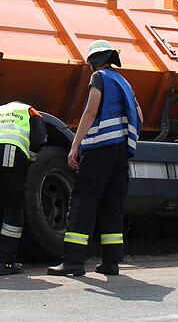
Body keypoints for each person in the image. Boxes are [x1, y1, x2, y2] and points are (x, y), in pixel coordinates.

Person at [48, 40, 142, 277]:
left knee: (82, 201)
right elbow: (139, 114)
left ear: (92, 61)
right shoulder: (125, 82)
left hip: (100, 148)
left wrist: (74, 146)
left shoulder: (99, 77)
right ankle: (111, 262)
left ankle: (72, 262)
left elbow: (91, 111)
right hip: (121, 150)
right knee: (112, 204)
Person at [0, 101, 47, 275]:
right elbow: (39, 140)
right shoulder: (30, 111)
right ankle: (6, 263)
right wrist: (30, 160)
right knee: (13, 207)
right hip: (9, 151)